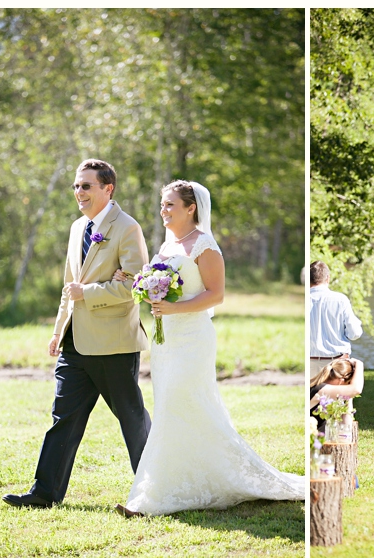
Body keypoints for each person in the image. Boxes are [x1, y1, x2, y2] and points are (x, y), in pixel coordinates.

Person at [113, 180, 304, 517]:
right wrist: (137, 286)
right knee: (173, 406)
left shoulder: (205, 245)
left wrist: (173, 308)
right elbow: (158, 287)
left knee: (181, 402)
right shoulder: (168, 245)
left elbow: (216, 295)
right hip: (166, 340)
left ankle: (151, 498)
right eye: (163, 204)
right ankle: (182, 481)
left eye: (171, 204)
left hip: (193, 339)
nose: (164, 210)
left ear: (192, 208)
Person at [3, 159, 152, 508]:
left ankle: (153, 491)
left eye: (86, 186)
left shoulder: (127, 228)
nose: (78, 192)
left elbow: (135, 287)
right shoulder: (76, 228)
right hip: (75, 343)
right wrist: (59, 332)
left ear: (107, 189)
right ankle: (44, 493)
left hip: (114, 344)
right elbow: (69, 288)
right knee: (63, 418)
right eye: (75, 186)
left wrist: (92, 293)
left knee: (131, 419)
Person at [309, 261, 363, 378]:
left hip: (310, 363)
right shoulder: (340, 300)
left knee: (312, 396)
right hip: (338, 364)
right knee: (339, 396)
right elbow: (355, 334)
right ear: (327, 278)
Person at [310, 357, 364, 434]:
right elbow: (356, 389)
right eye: (348, 383)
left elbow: (346, 427)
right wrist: (359, 364)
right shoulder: (320, 390)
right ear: (341, 381)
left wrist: (348, 397)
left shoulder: (326, 390)